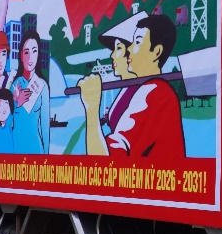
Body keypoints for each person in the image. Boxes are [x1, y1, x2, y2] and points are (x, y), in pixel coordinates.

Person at [78, 14, 186, 158]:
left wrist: (91, 107)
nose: (130, 49)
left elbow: (105, 162)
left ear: (157, 52)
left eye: (137, 42)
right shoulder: (147, 89)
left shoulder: (154, 93)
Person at [96, 13, 142, 131]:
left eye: (119, 48)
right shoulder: (127, 88)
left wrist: (92, 108)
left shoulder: (138, 92)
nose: (112, 55)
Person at [7, 31, 50, 153]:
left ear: (38, 54)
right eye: (26, 52)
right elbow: (5, 121)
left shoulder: (43, 86)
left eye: (34, 51)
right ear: (21, 56)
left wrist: (47, 155)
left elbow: (45, 126)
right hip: (16, 149)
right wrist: (16, 103)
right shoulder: (15, 84)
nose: (30, 57)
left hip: (36, 149)